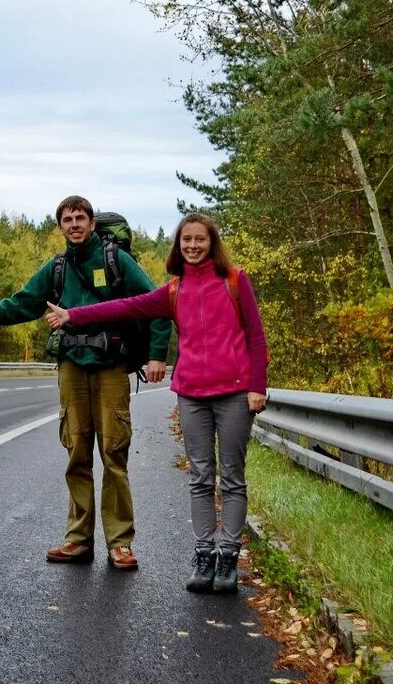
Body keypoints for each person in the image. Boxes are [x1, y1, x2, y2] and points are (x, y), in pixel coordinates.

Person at [45, 212, 268, 593]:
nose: (193, 246)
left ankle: (228, 556)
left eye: (200, 239)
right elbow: (124, 307)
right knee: (200, 477)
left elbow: (256, 337)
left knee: (231, 478)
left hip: (233, 392)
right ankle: (204, 555)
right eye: (186, 241)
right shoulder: (174, 290)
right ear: (178, 246)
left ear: (212, 243)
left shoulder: (234, 280)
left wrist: (257, 386)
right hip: (192, 393)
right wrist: (73, 315)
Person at [0, 196, 171, 571]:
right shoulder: (56, 268)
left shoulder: (117, 262)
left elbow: (157, 304)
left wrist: (157, 355)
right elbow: (20, 304)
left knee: (114, 453)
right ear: (60, 226)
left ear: (92, 223)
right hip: (71, 366)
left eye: (79, 218)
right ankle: (78, 539)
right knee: (77, 452)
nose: (73, 224)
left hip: (110, 367)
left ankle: (120, 543)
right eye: (66, 219)